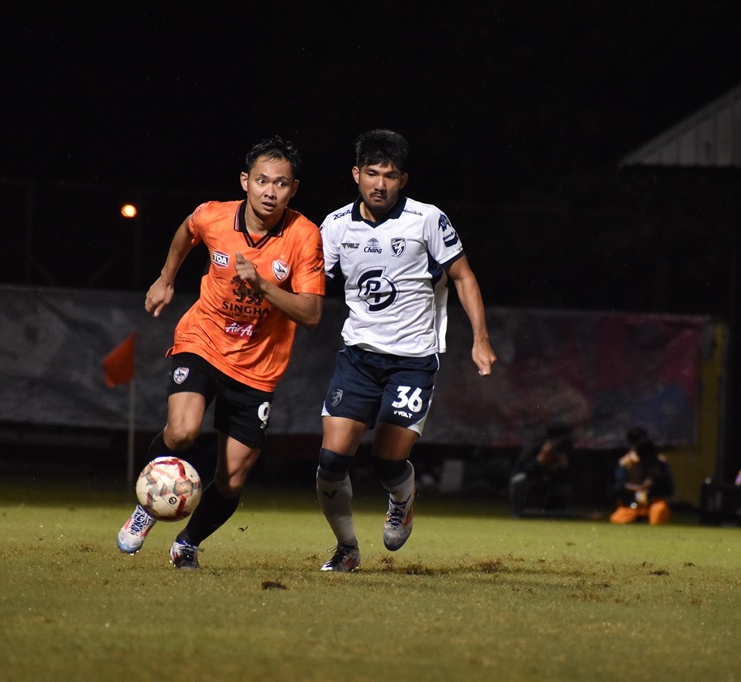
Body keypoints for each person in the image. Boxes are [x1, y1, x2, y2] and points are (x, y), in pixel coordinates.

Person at [116, 136, 325, 569]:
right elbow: (188, 229)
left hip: (258, 367)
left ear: (294, 189)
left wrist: (264, 285)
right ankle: (148, 503)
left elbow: (311, 314)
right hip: (203, 340)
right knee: (183, 432)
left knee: (231, 479)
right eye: (262, 181)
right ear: (245, 181)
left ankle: (187, 542)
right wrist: (166, 277)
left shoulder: (304, 236)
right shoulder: (215, 216)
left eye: (281, 184)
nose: (270, 192)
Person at [315, 129, 497, 571]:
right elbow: (309, 282)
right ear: (356, 174)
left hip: (413, 361)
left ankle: (403, 498)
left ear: (404, 179)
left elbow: (463, 276)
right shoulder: (335, 226)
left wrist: (481, 339)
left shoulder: (427, 219)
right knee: (331, 461)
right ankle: (347, 548)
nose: (380, 183)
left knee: (387, 462)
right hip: (357, 356)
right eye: (372, 173)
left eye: (390, 175)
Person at [508, 427, 573, 517]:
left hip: (550, 480)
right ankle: (517, 512)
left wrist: (561, 465)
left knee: (564, 489)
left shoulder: (565, 448)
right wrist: (540, 460)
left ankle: (561, 512)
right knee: (518, 480)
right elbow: (526, 470)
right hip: (531, 477)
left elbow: (566, 475)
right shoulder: (536, 445)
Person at [610, 435, 674, 525]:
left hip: (653, 503)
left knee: (659, 510)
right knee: (617, 518)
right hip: (632, 505)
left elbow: (669, 489)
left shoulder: (661, 464)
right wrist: (640, 487)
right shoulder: (626, 463)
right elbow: (619, 486)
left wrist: (656, 482)